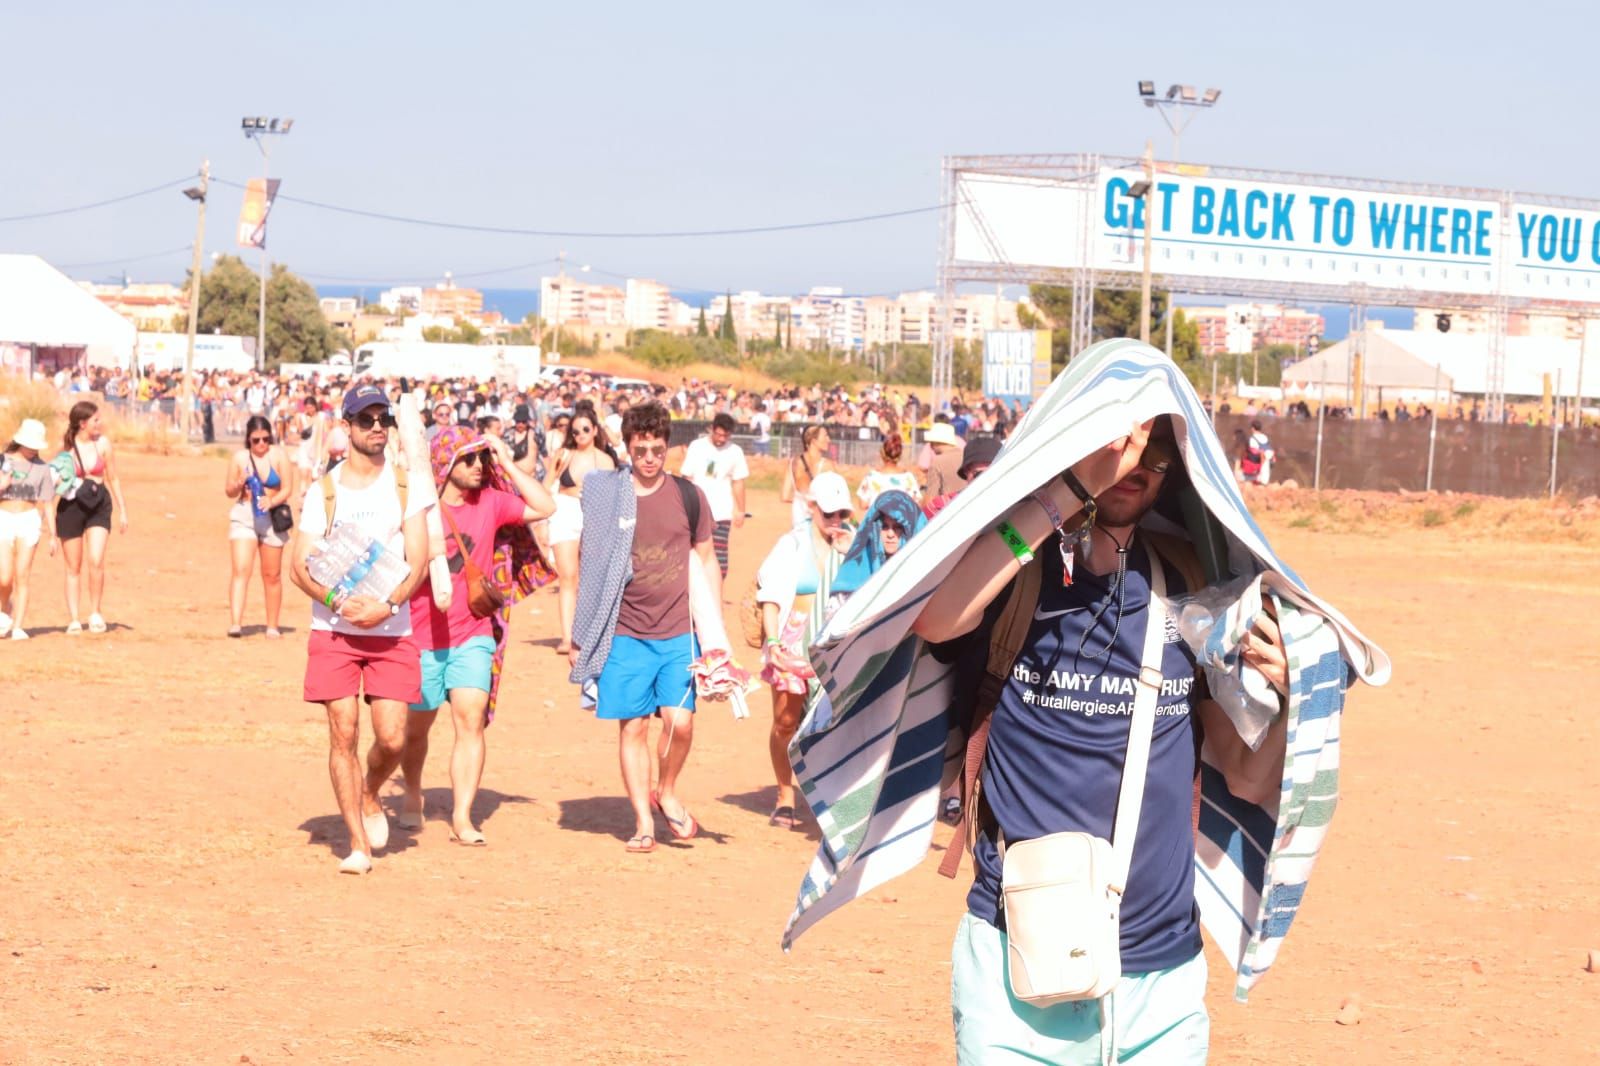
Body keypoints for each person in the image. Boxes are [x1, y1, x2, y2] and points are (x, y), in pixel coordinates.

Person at [912, 416, 1290, 1063]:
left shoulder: (1193, 592)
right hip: (1018, 971)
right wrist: (1071, 487)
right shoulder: (1018, 575)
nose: (1135, 462)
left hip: (1159, 985)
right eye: (1118, 442)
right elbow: (939, 617)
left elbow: (1247, 775)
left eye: (1156, 451)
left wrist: (1280, 704)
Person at [290, 384, 430, 875]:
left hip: (391, 632)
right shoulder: (323, 491)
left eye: (382, 419)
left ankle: (371, 793)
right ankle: (356, 845)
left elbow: (419, 561)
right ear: (345, 427)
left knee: (392, 738)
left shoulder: (407, 486)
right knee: (342, 732)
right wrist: (336, 601)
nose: (375, 426)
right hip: (334, 632)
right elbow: (299, 566)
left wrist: (386, 605)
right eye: (364, 419)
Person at [568, 401, 716, 855]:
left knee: (680, 724)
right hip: (625, 633)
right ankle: (642, 822)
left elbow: (706, 557)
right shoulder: (609, 494)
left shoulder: (689, 496)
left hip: (678, 632)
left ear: (668, 447)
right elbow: (587, 563)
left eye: (657, 449)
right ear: (628, 448)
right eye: (641, 450)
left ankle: (666, 789)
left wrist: (715, 636)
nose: (650, 458)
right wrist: (582, 635)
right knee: (632, 728)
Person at [399, 425, 556, 844]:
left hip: (474, 633)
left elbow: (545, 506)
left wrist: (505, 462)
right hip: (422, 635)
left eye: (480, 459)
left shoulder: (490, 502)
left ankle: (462, 817)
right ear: (446, 463)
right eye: (468, 459)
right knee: (416, 729)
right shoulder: (418, 509)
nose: (477, 467)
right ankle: (411, 793)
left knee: (470, 722)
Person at [754, 471, 855, 830]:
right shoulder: (792, 544)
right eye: (829, 513)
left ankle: (830, 798)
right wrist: (774, 642)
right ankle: (785, 795)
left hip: (836, 649)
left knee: (833, 728)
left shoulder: (853, 543)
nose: (836, 521)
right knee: (784, 723)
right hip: (793, 646)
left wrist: (850, 555)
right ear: (811, 507)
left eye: (842, 513)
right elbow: (768, 597)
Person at [544, 401, 618, 655]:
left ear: (595, 430)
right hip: (565, 512)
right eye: (575, 431)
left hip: (594, 516)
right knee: (568, 576)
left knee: (590, 577)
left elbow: (611, 498)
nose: (580, 435)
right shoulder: (563, 455)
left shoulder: (606, 461)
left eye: (585, 429)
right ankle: (567, 636)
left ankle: (588, 633)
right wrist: (556, 475)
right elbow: (547, 486)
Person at [56, 401, 127, 634]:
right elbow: (55, 480)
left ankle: (96, 612)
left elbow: (113, 477)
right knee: (72, 566)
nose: (100, 423)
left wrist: (123, 510)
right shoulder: (66, 448)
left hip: (99, 504)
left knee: (96, 560)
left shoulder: (103, 444)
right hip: (71, 506)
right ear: (82, 423)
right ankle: (74, 618)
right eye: (96, 420)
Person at [223, 416, 296, 638]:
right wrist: (238, 483)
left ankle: (272, 625)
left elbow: (288, 488)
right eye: (256, 440)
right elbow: (229, 490)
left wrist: (271, 501)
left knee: (272, 574)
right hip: (245, 515)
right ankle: (236, 623)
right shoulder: (239, 458)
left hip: (271, 516)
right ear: (248, 439)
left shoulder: (279, 456)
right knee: (241, 569)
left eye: (265, 439)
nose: (261, 444)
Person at [0, 419, 59, 640]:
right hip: (4, 517)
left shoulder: (43, 468)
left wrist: (53, 534)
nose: (34, 450)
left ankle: (18, 626)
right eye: (30, 445)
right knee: (4, 577)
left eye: (37, 446)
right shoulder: (3, 461)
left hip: (29, 518)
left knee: (23, 575)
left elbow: (48, 502)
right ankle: (4, 607)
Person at [678, 412, 749, 579]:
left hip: (721, 512)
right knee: (692, 554)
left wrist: (741, 510)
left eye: (726, 436)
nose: (721, 439)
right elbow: (686, 477)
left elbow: (738, 482)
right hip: (696, 511)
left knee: (719, 558)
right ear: (712, 428)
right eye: (718, 434)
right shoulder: (697, 446)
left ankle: (715, 597)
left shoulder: (735, 452)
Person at [779, 425, 835, 528]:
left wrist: (801, 501)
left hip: (798, 523)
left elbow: (785, 496)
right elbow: (836, 497)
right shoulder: (827, 465)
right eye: (825, 436)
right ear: (813, 440)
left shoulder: (792, 463)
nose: (829, 440)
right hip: (819, 524)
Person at [855, 431, 922, 512]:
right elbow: (917, 504)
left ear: (882, 453)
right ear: (899, 454)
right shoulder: (909, 478)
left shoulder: (871, 477)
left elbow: (863, 504)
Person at [922, 421, 967, 499]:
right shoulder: (966, 456)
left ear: (935, 442)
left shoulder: (937, 462)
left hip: (948, 507)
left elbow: (930, 497)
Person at [1239, 418, 1274, 484]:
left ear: (1252, 428)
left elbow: (1254, 452)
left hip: (1260, 460)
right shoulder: (1265, 437)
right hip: (1269, 458)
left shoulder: (1252, 439)